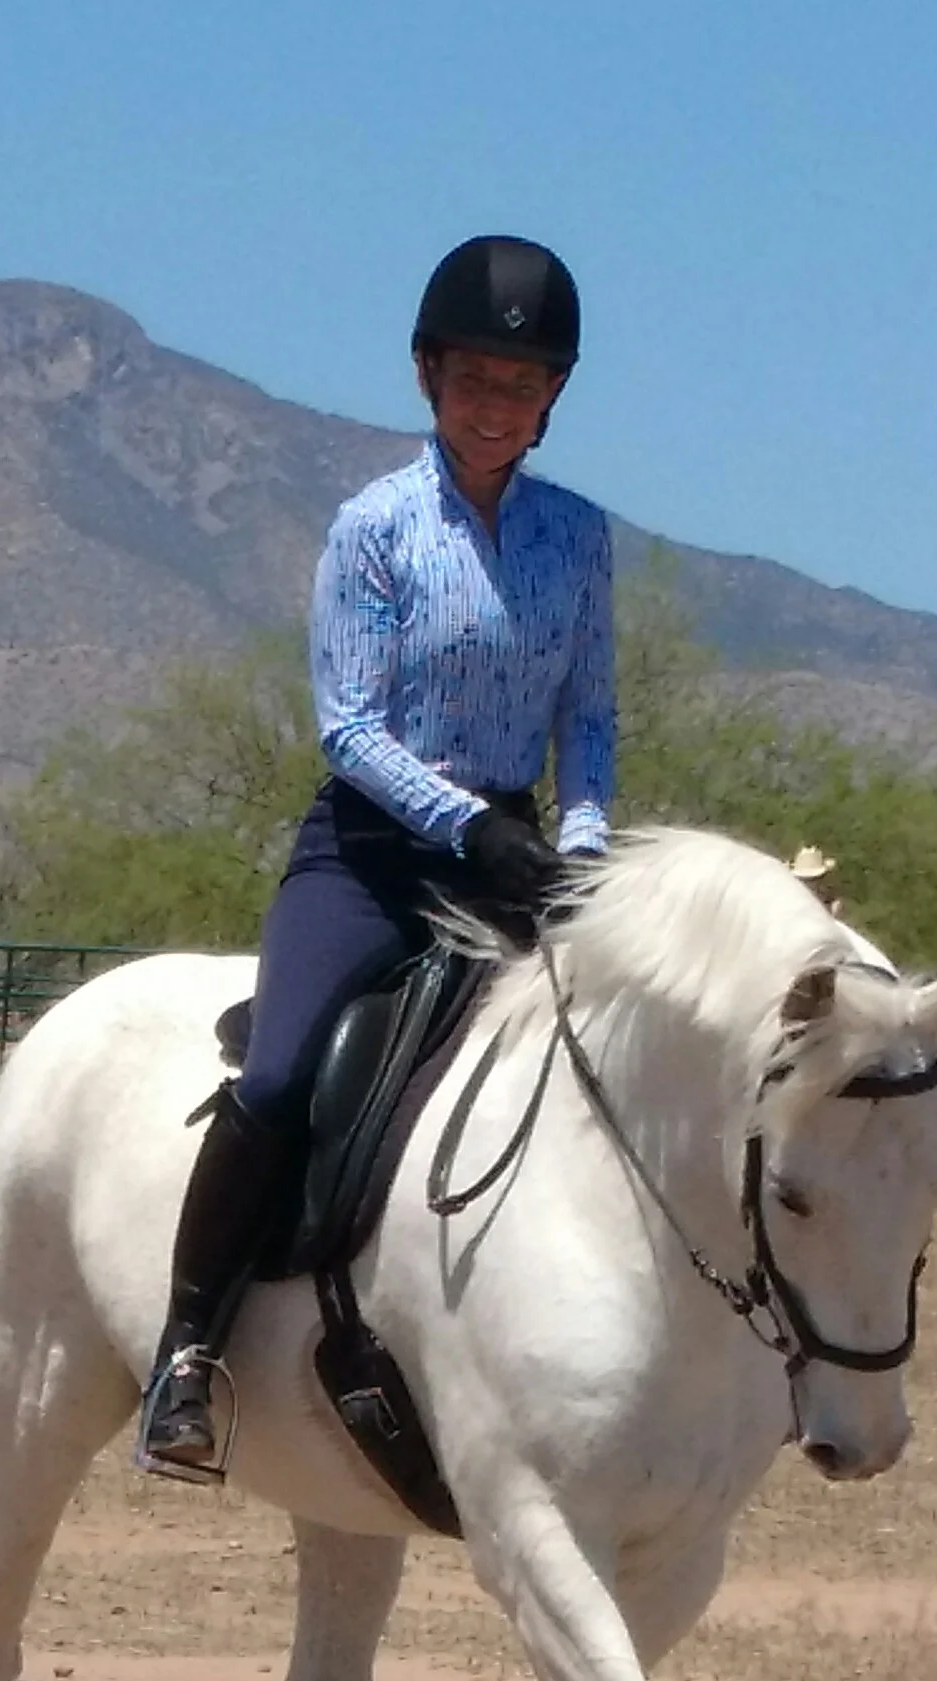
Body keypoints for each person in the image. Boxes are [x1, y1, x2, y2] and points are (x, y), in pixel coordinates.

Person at [135, 234, 617, 1475]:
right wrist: (473, 830)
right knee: (286, 1075)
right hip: (371, 856)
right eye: (473, 380)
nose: (496, 405)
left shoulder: (579, 536)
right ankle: (185, 1354)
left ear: (554, 395)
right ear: (426, 377)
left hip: (520, 860)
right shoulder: (375, 528)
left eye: (521, 385)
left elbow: (591, 715)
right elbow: (348, 727)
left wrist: (581, 844)